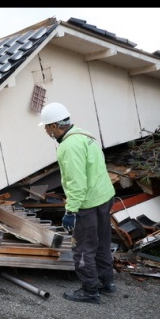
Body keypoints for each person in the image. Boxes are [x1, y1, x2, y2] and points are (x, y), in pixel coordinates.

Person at [39, 102, 116, 304]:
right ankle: (107, 281)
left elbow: (76, 183)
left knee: (82, 248)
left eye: (47, 127)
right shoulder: (84, 136)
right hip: (104, 197)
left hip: (88, 203)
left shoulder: (69, 146)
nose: (46, 131)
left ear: (55, 126)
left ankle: (90, 290)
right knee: (102, 242)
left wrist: (71, 211)